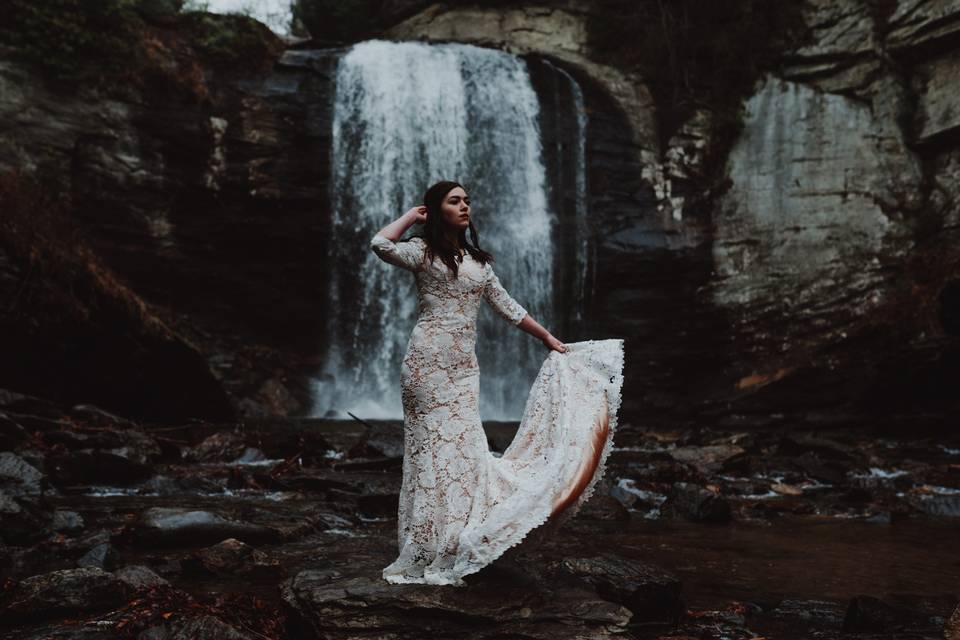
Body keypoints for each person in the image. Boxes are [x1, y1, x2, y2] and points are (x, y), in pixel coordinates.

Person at [371, 180, 625, 586]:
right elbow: (380, 245)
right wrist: (412, 217)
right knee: (430, 456)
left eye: (467, 200)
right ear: (437, 210)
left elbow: (509, 308)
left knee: (466, 450)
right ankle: (426, 543)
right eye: (454, 201)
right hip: (425, 364)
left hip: (463, 370)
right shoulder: (422, 251)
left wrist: (546, 338)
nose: (465, 206)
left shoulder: (478, 262)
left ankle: (456, 538)